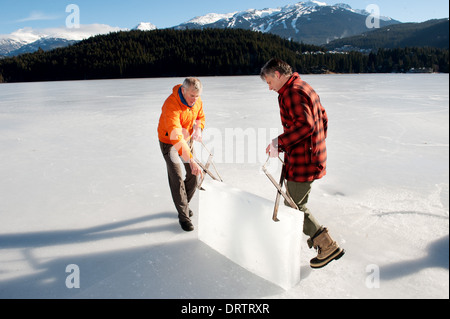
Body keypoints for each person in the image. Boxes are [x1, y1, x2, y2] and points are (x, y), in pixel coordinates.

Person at [260, 58, 345, 269]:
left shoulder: (292, 92)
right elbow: (322, 118)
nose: (269, 87)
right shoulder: (303, 86)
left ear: (278, 74)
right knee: (295, 203)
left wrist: (279, 142)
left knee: (293, 206)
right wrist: (315, 145)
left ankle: (327, 246)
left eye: (269, 81)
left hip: (304, 160)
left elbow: (306, 126)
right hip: (308, 155)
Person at [158, 77, 205, 232]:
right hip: (170, 141)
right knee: (177, 178)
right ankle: (184, 216)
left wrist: (198, 128)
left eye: (197, 96)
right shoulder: (171, 105)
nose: (194, 100)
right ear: (183, 90)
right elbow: (175, 136)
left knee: (194, 174)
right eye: (192, 96)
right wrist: (191, 160)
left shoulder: (196, 100)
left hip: (187, 138)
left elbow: (200, 116)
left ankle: (183, 205)